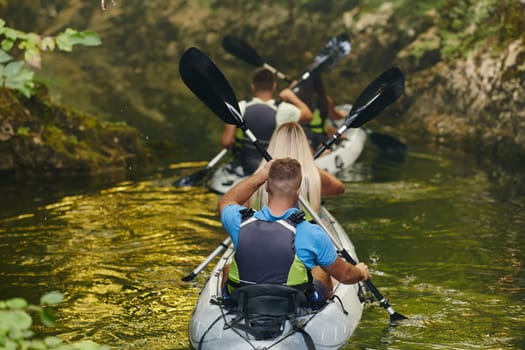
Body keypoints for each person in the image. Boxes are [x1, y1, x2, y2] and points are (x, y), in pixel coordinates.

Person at [219, 158, 371, 304]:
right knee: (320, 271)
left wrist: (260, 175)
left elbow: (226, 200)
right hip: (292, 303)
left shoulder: (239, 221)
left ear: (266, 187)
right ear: (298, 191)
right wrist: (360, 272)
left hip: (243, 297)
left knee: (227, 268)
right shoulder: (312, 232)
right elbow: (345, 275)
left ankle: (226, 303)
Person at [220, 67, 312, 175]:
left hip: (247, 165)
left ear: (253, 87)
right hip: (273, 166)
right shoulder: (283, 110)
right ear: (274, 86)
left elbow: (226, 142)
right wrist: (291, 97)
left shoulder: (240, 107)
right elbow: (308, 115)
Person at [249, 122, 344, 214]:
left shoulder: (257, 178)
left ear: (274, 144)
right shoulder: (314, 176)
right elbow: (339, 188)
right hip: (304, 228)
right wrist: (310, 165)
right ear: (304, 145)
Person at [296, 74, 346, 150]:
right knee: (337, 134)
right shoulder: (324, 100)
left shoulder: (296, 99)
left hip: (303, 137)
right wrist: (344, 114)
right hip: (320, 138)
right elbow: (335, 116)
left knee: (329, 129)